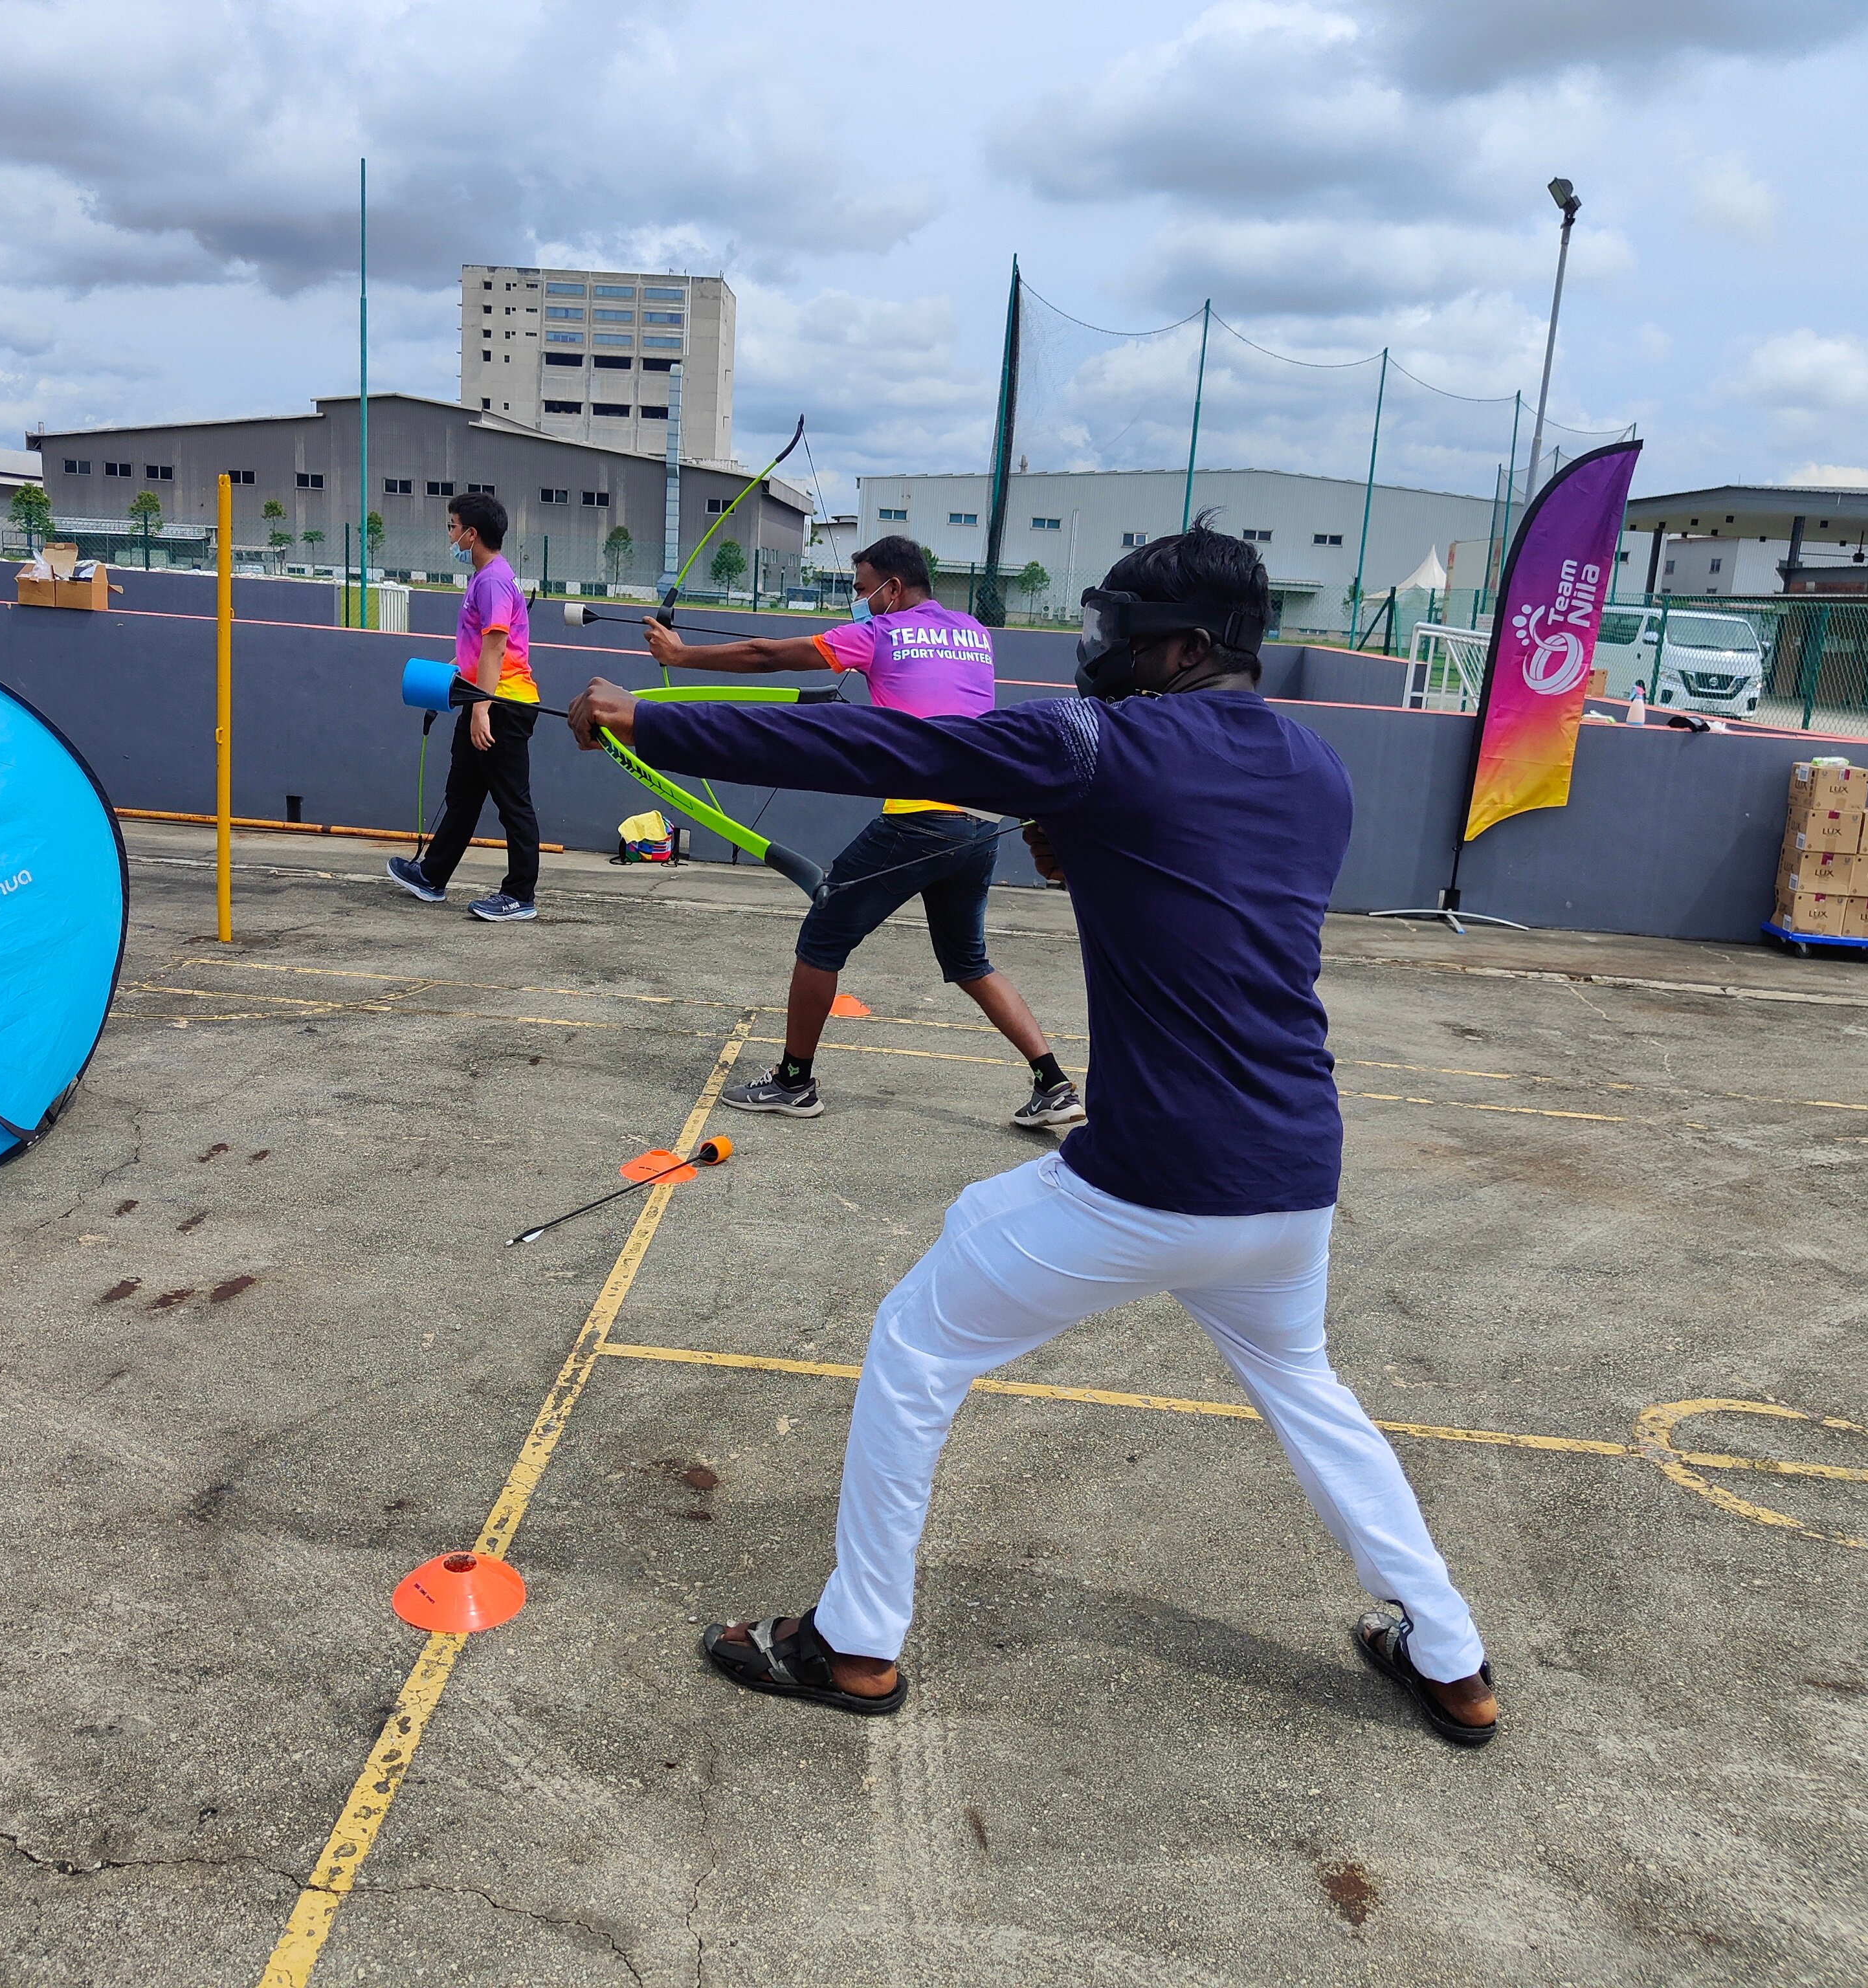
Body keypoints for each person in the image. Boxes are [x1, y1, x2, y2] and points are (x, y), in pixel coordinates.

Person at [566, 525, 1498, 1749]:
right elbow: (1208, 893)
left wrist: (655, 719)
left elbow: (887, 745)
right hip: (1292, 1174)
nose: (1100, 650)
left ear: (1185, 648)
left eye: (1123, 633)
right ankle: (1452, 1655)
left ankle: (854, 1642)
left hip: (1160, 1178)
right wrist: (1084, 855)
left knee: (917, 1336)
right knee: (1307, 1387)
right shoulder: (1318, 767)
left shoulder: (1099, 741)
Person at [639, 535, 1082, 1131]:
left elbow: (772, 655)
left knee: (821, 939)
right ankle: (1053, 1084)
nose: (861, 601)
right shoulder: (975, 632)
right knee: (969, 960)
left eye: (863, 590)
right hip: (981, 820)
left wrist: (682, 655)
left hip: (921, 821)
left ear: (892, 589)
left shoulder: (883, 633)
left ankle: (795, 1083)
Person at [386, 491, 541, 922]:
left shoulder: (492, 581)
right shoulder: (490, 577)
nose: (450, 535)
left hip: (502, 705)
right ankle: (432, 876)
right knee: (463, 796)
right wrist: (456, 671)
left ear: (471, 534)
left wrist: (480, 710)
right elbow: (483, 649)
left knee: (513, 802)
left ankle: (519, 896)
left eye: (452, 527)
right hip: (486, 696)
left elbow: (496, 648)